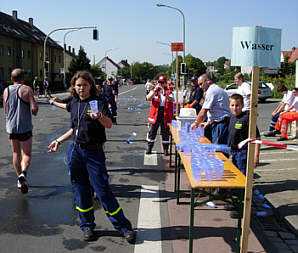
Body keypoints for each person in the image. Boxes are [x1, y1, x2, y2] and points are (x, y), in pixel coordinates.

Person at [47, 71, 136, 243]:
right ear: (74, 87)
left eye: (85, 85)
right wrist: (58, 140)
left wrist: (100, 117)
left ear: (91, 86)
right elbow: (75, 128)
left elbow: (109, 124)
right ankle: (87, 226)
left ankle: (124, 227)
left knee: (102, 191)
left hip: (94, 153)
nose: (81, 88)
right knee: (80, 190)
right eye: (78, 85)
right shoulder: (73, 103)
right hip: (75, 151)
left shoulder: (98, 102)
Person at [3, 68, 38, 194]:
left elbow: (6, 110)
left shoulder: (6, 90)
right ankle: (23, 174)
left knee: (15, 153)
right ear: (23, 78)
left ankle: (19, 179)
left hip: (11, 127)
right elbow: (34, 109)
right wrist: (33, 108)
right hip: (24, 126)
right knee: (26, 154)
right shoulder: (27, 89)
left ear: (12, 79)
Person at [191, 73, 231, 145]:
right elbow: (217, 109)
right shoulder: (214, 89)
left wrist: (196, 123)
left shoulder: (211, 91)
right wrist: (209, 122)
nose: (200, 87)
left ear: (208, 81)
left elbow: (204, 111)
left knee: (218, 151)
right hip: (219, 123)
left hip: (221, 124)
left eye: (201, 84)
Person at [227, 94, 260, 175]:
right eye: (232, 105)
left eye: (237, 105)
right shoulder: (231, 117)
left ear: (242, 105)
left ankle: (245, 187)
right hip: (233, 151)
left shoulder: (247, 118)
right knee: (236, 173)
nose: (235, 108)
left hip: (243, 152)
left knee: (243, 174)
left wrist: (256, 156)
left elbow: (257, 138)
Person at [146, 75, 174, 155]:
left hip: (164, 114)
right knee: (152, 132)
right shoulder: (154, 91)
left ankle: (165, 149)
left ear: (165, 83)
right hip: (155, 114)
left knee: (165, 132)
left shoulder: (169, 91)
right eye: (159, 82)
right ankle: (149, 147)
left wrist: (164, 93)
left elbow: (171, 100)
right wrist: (155, 90)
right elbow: (148, 98)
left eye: (162, 82)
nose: (160, 84)